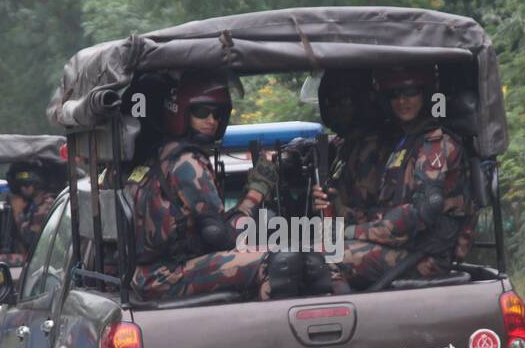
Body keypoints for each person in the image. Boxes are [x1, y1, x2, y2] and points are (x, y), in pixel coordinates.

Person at [132, 73, 304, 301]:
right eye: (201, 112)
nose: (211, 120)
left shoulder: (158, 155)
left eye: (217, 114)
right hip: (167, 276)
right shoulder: (187, 162)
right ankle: (265, 334)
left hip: (149, 274)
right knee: (278, 262)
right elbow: (220, 237)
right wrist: (257, 190)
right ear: (180, 111)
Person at [332, 65, 478, 289]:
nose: (402, 101)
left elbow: (421, 213)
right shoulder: (400, 143)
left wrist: (352, 232)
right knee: (311, 251)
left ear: (426, 94)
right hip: (401, 247)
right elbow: (380, 210)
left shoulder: (436, 145)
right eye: (394, 94)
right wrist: (335, 206)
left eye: (411, 93)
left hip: (424, 257)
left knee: (326, 259)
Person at [313, 68, 393, 221]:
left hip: (362, 232)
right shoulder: (345, 144)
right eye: (330, 102)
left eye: (344, 101)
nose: (336, 109)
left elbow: (365, 210)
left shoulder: (373, 146)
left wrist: (337, 207)